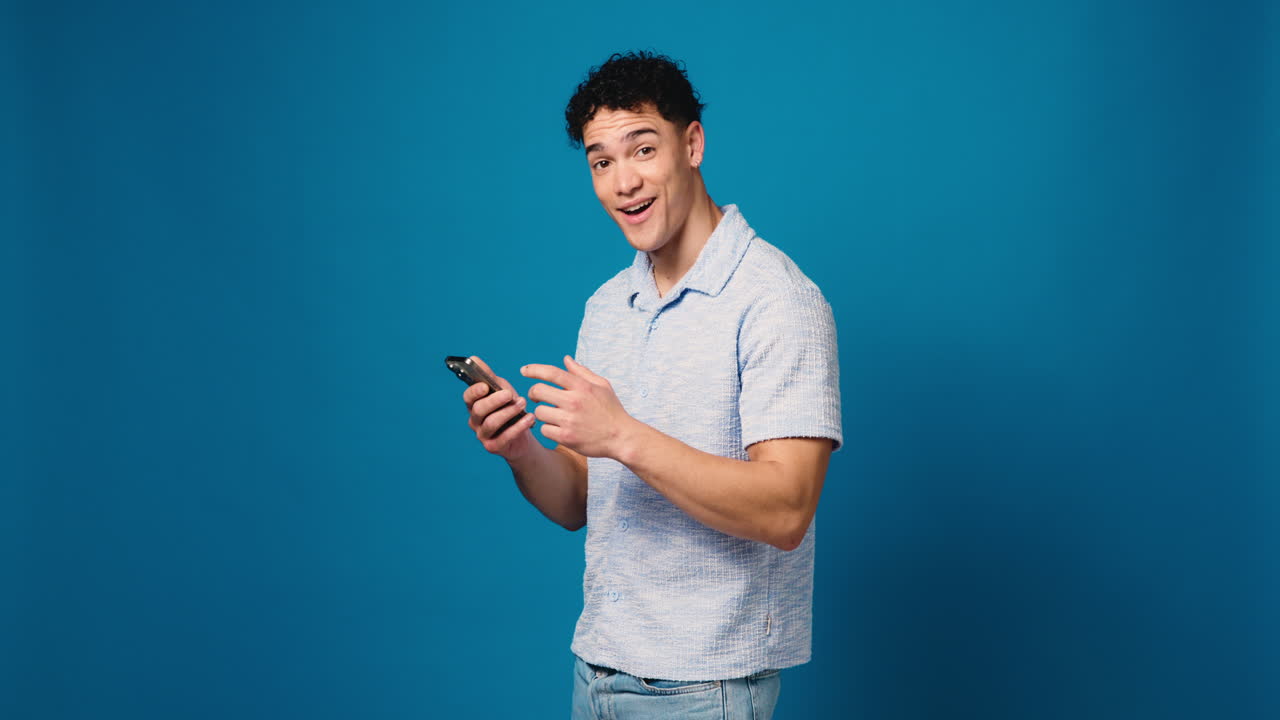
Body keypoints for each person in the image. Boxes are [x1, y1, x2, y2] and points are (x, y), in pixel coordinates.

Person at [460, 51, 842, 720]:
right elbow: (581, 499)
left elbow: (785, 511)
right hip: (598, 672)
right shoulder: (607, 307)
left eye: (643, 149)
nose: (623, 182)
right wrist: (521, 449)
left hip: (704, 688)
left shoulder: (778, 300)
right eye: (600, 161)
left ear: (692, 144)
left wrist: (624, 435)